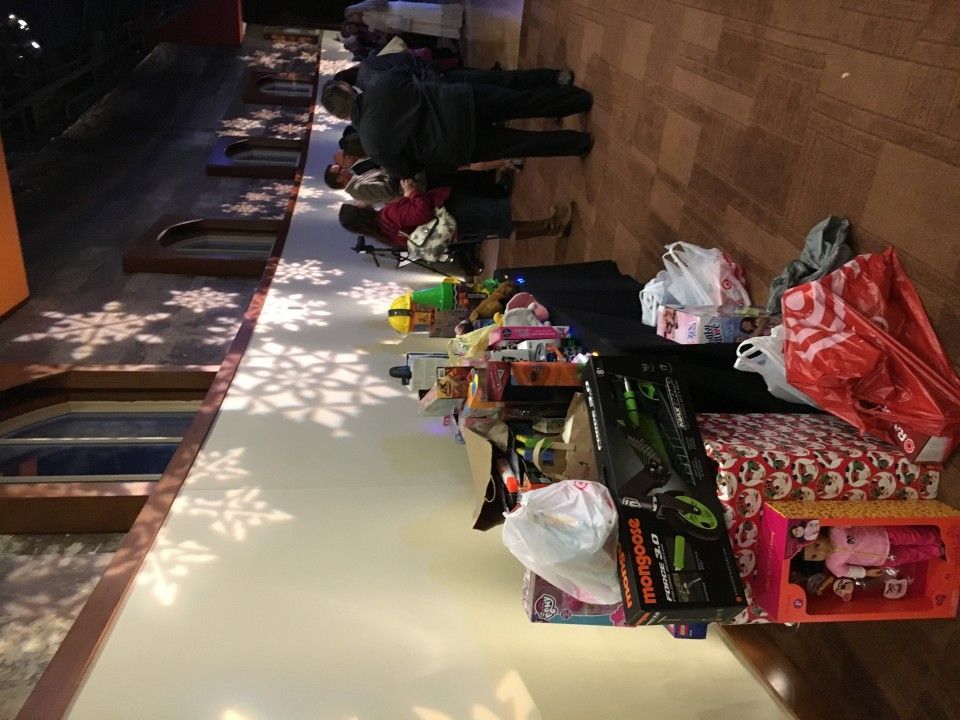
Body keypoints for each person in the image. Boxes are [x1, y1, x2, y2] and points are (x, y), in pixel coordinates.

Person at [321, 62, 593, 180]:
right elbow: (414, 71)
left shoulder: (372, 144)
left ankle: (579, 143)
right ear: (347, 89)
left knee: (522, 144)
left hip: (455, 143)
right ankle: (578, 100)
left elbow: (406, 170)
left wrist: (424, 150)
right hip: (460, 101)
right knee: (522, 102)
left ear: (339, 115)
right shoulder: (381, 84)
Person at [338, 181, 573, 249]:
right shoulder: (388, 217)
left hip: (451, 229)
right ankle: (552, 227)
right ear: (359, 211)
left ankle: (548, 226)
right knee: (502, 224)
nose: (359, 201)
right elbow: (421, 212)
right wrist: (411, 192)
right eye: (355, 204)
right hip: (452, 217)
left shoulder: (383, 231)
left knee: (503, 226)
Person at [803, 525, 944, 579]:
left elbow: (848, 520)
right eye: (815, 556)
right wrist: (866, 573)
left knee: (912, 536)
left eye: (817, 545)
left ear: (818, 536)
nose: (820, 552)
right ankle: (937, 551)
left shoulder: (835, 530)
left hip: (883, 534)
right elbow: (848, 571)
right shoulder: (832, 563)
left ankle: (938, 537)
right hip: (883, 559)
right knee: (911, 555)